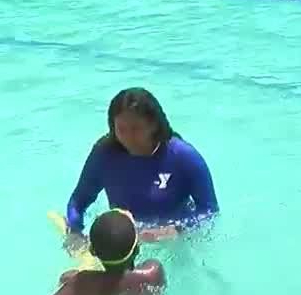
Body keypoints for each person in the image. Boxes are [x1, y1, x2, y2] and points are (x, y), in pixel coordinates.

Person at [65, 88, 217, 242]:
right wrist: (74, 231)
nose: (129, 137)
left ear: (154, 125)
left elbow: (210, 211)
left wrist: (176, 230)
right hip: (124, 243)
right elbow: (78, 201)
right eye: (121, 129)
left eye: (136, 129)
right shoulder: (104, 155)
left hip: (176, 243)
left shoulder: (183, 156)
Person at [28, 209, 165, 295]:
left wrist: (74, 279)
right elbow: (126, 278)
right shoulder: (153, 271)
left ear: (92, 251)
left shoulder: (81, 284)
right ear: (137, 249)